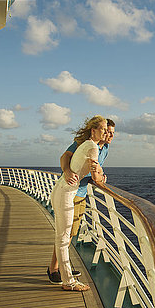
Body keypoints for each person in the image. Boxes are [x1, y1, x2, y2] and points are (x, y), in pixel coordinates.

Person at [46, 119, 115, 285]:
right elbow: (65, 156)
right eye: (107, 131)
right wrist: (67, 170)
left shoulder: (104, 148)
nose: (109, 135)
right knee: (66, 234)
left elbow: (96, 170)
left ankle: (63, 266)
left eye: (112, 133)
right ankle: (54, 269)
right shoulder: (86, 144)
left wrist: (100, 175)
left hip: (80, 192)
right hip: (71, 190)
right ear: (95, 131)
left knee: (71, 233)